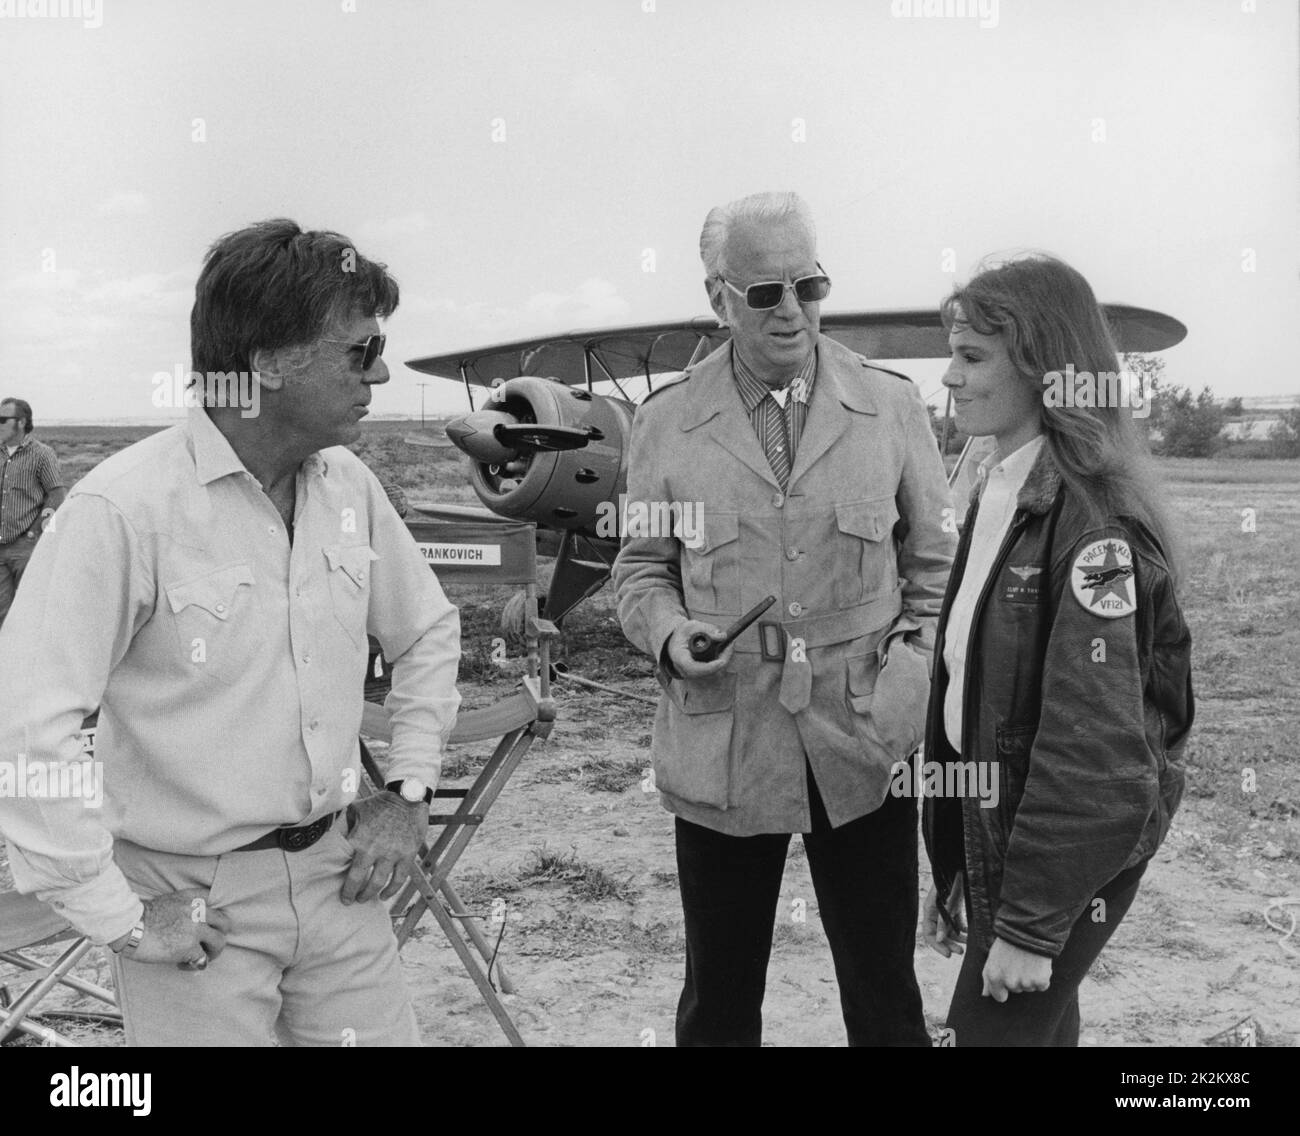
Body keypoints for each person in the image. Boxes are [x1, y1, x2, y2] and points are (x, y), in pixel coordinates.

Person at [0, 219, 461, 1046]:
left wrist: (412, 794)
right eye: (360, 351)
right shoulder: (121, 511)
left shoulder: (349, 486)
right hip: (192, 904)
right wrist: (121, 918)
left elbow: (427, 632)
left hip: (340, 880)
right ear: (270, 363)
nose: (382, 372)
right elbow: (28, 732)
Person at [613, 191, 956, 1046]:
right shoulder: (665, 425)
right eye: (765, 293)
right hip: (726, 740)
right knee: (720, 1000)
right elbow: (640, 569)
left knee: (885, 993)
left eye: (810, 284)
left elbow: (936, 563)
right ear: (718, 298)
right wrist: (666, 632)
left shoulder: (891, 407)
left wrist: (912, 665)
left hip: (863, 731)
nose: (792, 310)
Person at [920, 254, 1194, 1047]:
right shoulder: (1002, 489)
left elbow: (1098, 752)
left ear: (1045, 370)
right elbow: (974, 695)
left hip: (1064, 857)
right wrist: (956, 868)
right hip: (1014, 841)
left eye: (971, 357)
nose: (948, 377)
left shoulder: (1092, 529)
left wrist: (1033, 927)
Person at [0, 397, 66, 628]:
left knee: (31, 609)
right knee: (3, 614)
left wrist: (36, 532)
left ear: (21, 422)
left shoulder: (41, 454)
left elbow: (56, 495)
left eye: (2, 420)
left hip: (25, 547)